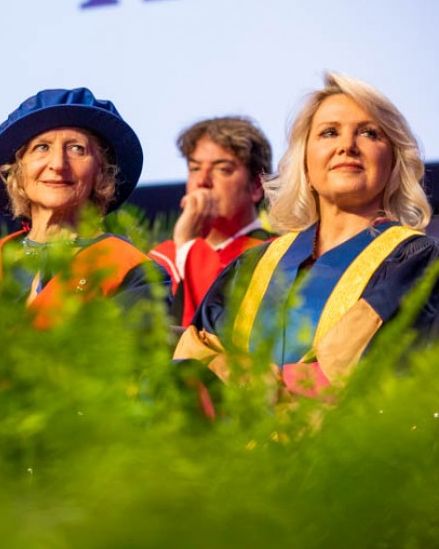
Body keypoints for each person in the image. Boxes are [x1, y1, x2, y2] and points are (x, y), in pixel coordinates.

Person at [173, 72, 439, 401]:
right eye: (329, 132)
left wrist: (261, 384)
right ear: (305, 163)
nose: (347, 146)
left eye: (370, 133)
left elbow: (374, 368)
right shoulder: (253, 265)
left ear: (393, 161)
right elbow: (196, 352)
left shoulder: (414, 260)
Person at [0, 87, 169, 335]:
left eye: (77, 149)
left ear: (102, 172)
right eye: (41, 147)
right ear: (17, 172)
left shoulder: (130, 270)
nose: (57, 165)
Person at [149, 117, 274, 327]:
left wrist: (189, 245)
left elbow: (222, 325)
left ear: (256, 187)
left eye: (222, 169)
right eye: (195, 168)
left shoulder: (274, 254)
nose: (202, 181)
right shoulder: (162, 258)